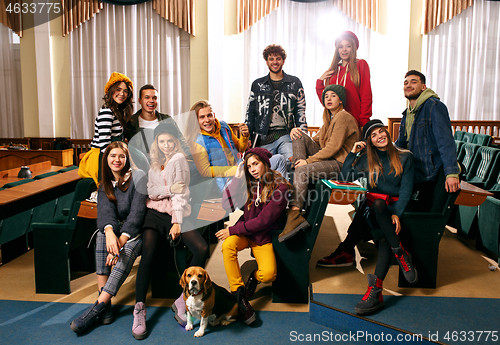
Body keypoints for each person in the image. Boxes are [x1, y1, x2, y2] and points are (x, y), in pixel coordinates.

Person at [324, 120, 416, 315]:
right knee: (378, 204)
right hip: (373, 210)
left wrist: (397, 215)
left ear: (388, 134)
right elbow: (345, 177)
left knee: (384, 236)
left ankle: (375, 291)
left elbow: (406, 190)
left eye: (381, 132)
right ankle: (400, 252)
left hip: (394, 210)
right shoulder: (367, 159)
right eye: (374, 135)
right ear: (370, 141)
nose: (379, 136)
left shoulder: (405, 157)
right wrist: (353, 152)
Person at [132, 122, 208, 339]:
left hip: (176, 213)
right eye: (161, 141)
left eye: (169, 141)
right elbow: (151, 192)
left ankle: (182, 299)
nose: (165, 145)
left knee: (201, 248)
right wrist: (167, 189)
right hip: (153, 214)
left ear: (175, 141)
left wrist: (177, 222)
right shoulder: (155, 163)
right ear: (157, 142)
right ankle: (139, 309)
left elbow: (181, 193)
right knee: (147, 253)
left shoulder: (179, 160)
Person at [70, 141, 147, 333]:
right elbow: (105, 213)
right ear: (106, 159)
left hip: (136, 233)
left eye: (121, 156)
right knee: (102, 237)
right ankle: (107, 307)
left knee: (126, 252)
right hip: (117, 230)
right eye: (113, 156)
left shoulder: (138, 178)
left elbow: (136, 215)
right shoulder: (104, 183)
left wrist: (119, 243)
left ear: (127, 158)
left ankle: (98, 306)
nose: (117, 160)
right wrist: (110, 232)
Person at [216, 148, 292, 325]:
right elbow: (226, 204)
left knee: (268, 275)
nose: (252, 169)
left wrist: (233, 230)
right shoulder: (248, 182)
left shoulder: (281, 187)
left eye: (255, 164)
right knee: (228, 246)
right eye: (249, 166)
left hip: (262, 235)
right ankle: (239, 295)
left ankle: (253, 278)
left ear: (265, 163)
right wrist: (237, 177)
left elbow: (263, 221)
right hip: (245, 231)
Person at [279, 84, 359, 242]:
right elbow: (313, 141)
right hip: (329, 161)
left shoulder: (343, 117)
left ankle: (295, 213)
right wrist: (296, 133)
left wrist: (306, 161)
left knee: (301, 171)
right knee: (298, 135)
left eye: (333, 95)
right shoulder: (330, 120)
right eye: (326, 96)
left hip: (340, 165)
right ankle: (297, 203)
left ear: (341, 100)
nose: (328, 99)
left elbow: (332, 148)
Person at [189, 100, 287, 195]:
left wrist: (245, 136)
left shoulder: (223, 126)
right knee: (262, 177)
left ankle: (283, 196)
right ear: (196, 120)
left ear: (213, 115)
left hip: (244, 168)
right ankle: (272, 197)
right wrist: (235, 170)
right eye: (202, 117)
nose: (207, 120)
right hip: (227, 182)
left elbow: (240, 148)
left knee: (279, 159)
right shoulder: (197, 142)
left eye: (209, 115)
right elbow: (205, 171)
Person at [395, 70, 460, 209]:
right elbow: (400, 144)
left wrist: (452, 173)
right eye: (406, 82)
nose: (408, 85)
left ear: (423, 87)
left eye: (414, 82)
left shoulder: (434, 106)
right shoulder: (407, 113)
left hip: (429, 173)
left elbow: (446, 142)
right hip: (413, 170)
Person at [245, 44, 307, 166]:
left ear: (283, 61)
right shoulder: (257, 85)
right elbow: (250, 113)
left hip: (286, 135)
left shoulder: (295, 83)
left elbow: (300, 112)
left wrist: (303, 139)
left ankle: (290, 185)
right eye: (271, 59)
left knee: (295, 163)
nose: (275, 62)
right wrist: (248, 138)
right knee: (265, 168)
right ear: (266, 62)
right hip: (263, 138)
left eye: (278, 58)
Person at [79, 72, 134, 186]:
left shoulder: (118, 111)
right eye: (118, 89)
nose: (122, 93)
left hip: (112, 155)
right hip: (102, 157)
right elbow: (104, 144)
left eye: (125, 91)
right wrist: (112, 164)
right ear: (111, 90)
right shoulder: (107, 111)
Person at [316, 31, 372, 128]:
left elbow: (366, 96)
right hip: (335, 125)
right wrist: (320, 82)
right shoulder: (332, 71)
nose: (344, 50)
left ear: (353, 48)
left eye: (348, 46)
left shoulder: (361, 65)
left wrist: (363, 122)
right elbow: (327, 101)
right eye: (341, 47)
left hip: (355, 123)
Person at [124, 84, 188, 154]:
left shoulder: (167, 120)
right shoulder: (130, 122)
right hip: (140, 163)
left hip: (165, 162)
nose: (151, 101)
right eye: (147, 97)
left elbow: (182, 143)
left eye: (154, 98)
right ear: (140, 101)